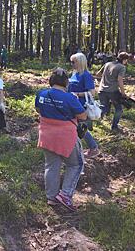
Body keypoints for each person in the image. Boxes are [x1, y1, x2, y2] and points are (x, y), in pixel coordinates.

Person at [35, 68, 87, 211]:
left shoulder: (41, 94)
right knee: (76, 164)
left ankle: (51, 198)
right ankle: (65, 194)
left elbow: (38, 110)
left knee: (51, 166)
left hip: (46, 135)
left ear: (51, 80)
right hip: (65, 137)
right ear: (66, 82)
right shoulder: (69, 97)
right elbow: (83, 116)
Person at [68, 53, 100, 158]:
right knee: (74, 126)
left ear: (80, 62)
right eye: (71, 62)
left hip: (81, 105)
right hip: (71, 104)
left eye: (74, 62)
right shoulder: (74, 74)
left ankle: (93, 147)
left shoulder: (86, 75)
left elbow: (92, 92)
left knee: (79, 127)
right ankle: (78, 148)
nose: (72, 64)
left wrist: (77, 94)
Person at [96, 52, 130, 131]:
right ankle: (114, 126)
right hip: (113, 92)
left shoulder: (108, 64)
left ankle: (94, 121)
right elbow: (120, 80)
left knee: (103, 108)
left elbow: (98, 74)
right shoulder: (122, 67)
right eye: (126, 60)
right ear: (124, 60)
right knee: (119, 109)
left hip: (101, 90)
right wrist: (123, 93)